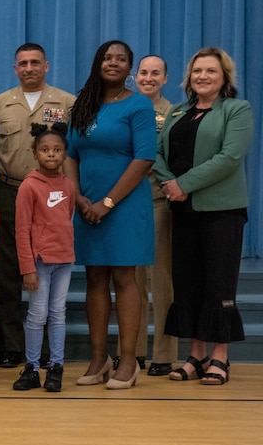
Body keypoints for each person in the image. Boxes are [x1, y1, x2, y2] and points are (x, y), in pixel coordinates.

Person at [154, 47, 254, 386]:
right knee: (188, 283)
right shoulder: (177, 112)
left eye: (211, 71)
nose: (203, 76)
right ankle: (195, 355)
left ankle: (220, 357)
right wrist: (171, 185)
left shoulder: (237, 110)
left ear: (224, 76)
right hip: (182, 210)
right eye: (197, 71)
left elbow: (229, 157)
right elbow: (157, 153)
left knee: (218, 283)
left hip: (222, 211)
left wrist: (184, 184)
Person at [65, 40, 155, 390]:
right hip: (86, 206)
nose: (113, 63)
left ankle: (128, 360)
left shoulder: (138, 105)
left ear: (129, 68)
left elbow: (144, 158)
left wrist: (107, 202)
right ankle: (98, 358)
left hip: (125, 205)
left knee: (124, 278)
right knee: (94, 279)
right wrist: (79, 199)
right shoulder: (83, 105)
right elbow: (70, 154)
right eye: (107, 57)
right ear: (97, 63)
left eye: (120, 59)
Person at [0, 43, 75, 368]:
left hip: (53, 194)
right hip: (10, 192)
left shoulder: (66, 103)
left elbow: (74, 149)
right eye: (22, 63)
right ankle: (11, 346)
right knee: (7, 273)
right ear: (14, 69)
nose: (29, 68)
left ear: (46, 66)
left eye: (35, 62)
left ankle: (49, 351)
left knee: (48, 270)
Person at [12, 124, 75, 393]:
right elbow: (22, 229)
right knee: (37, 315)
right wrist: (27, 267)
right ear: (35, 153)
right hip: (39, 263)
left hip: (64, 261)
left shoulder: (69, 185)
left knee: (58, 314)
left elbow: (67, 218)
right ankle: (32, 368)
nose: (51, 154)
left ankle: (56, 368)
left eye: (57, 150)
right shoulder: (29, 186)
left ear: (64, 154)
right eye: (45, 150)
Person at [130, 55, 176, 376]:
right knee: (131, 281)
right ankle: (132, 352)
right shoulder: (124, 108)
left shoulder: (175, 114)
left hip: (159, 200)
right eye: (143, 72)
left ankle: (163, 353)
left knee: (161, 280)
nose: (148, 78)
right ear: (134, 77)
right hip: (128, 202)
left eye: (155, 73)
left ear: (165, 78)